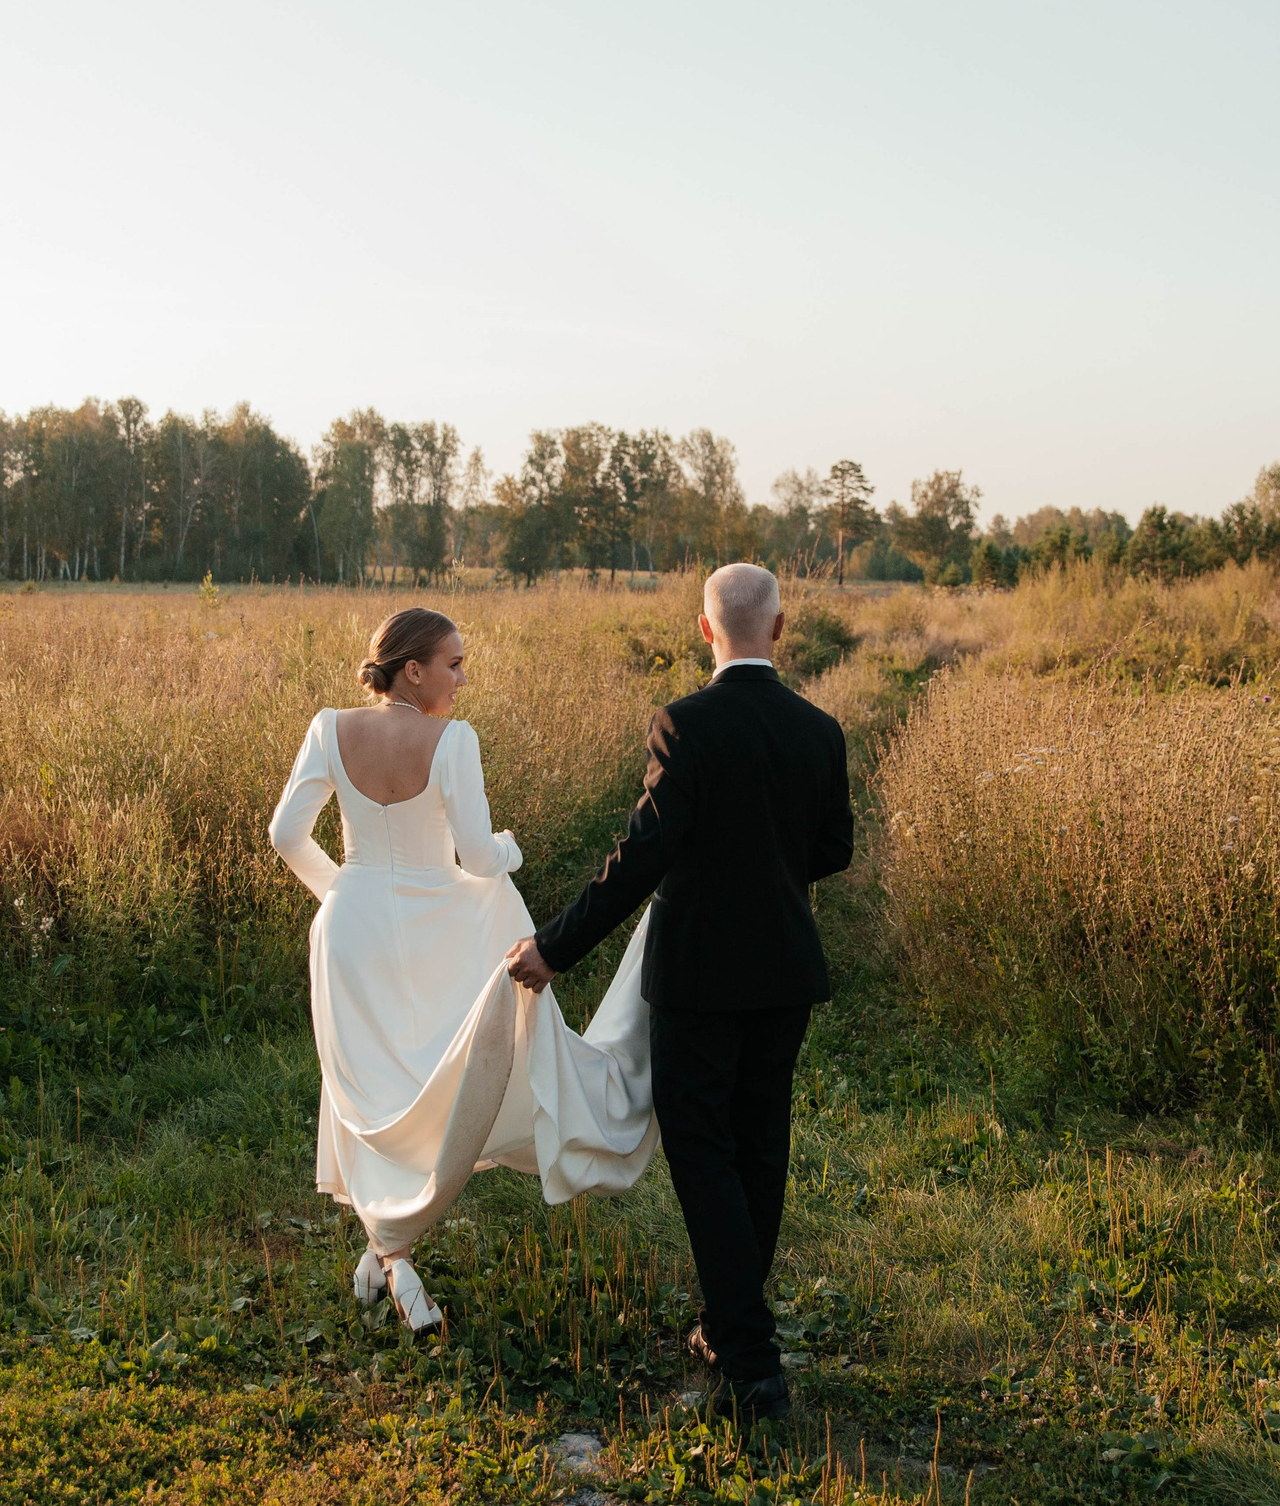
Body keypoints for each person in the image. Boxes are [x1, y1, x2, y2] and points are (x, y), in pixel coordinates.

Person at [507, 564, 853, 1427]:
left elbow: (645, 855)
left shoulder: (684, 725)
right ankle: (732, 1327)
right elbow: (834, 848)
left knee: (703, 1154)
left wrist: (555, 948)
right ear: (779, 627)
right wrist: (767, 870)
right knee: (758, 1143)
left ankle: (750, 1357)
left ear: (705, 630)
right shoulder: (821, 729)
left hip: (699, 976)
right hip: (784, 973)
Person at [268, 607, 660, 1332]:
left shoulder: (328, 727)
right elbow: (477, 858)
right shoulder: (453, 740)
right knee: (438, 1083)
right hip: (434, 928)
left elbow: (285, 834)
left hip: (350, 930)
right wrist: (512, 848)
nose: (463, 677)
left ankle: (385, 1246)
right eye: (453, 663)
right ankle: (394, 1255)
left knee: (375, 1085)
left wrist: (342, 895)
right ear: (412, 670)